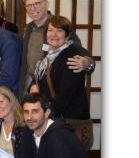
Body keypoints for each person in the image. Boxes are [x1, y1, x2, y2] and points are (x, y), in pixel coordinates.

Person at [29, 15, 93, 150]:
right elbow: (41, 77)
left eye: (59, 31)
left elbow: (65, 94)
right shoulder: (49, 54)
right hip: (54, 117)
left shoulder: (72, 56)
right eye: (51, 30)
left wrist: (45, 115)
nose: (54, 34)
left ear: (68, 35)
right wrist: (33, 85)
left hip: (68, 120)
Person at [18, 0, 94, 96]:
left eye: (37, 3)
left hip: (54, 85)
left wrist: (87, 62)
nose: (33, 8)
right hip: (31, 83)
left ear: (46, 4)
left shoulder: (59, 25)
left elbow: (80, 53)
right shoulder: (28, 28)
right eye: (28, 5)